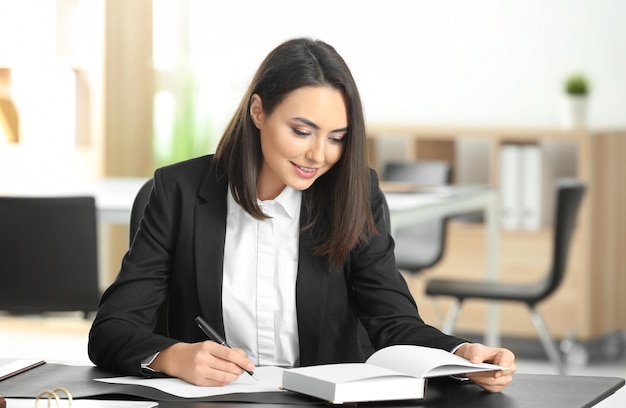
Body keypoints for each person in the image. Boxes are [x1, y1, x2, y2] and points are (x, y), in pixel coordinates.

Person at [88, 37, 515, 392]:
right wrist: (172, 357)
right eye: (301, 131)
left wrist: (460, 355)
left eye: (336, 138)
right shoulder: (179, 191)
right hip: (215, 401)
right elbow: (111, 329)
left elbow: (393, 321)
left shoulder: (355, 193)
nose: (318, 155)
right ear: (258, 112)